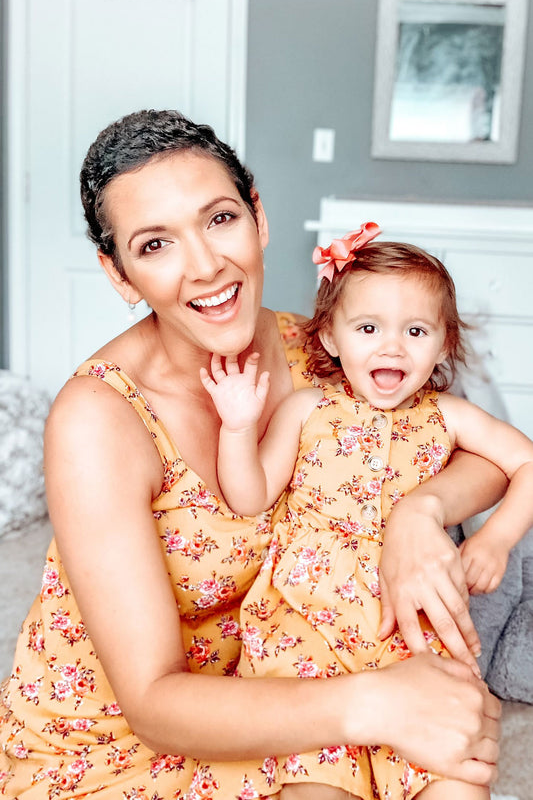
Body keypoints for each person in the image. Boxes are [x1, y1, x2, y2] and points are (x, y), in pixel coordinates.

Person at [0, 112, 503, 799]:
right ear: (118, 275)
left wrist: (423, 509)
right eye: (154, 245)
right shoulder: (100, 419)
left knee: (458, 760)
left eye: (219, 219)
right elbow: (152, 703)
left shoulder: (318, 351)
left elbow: (458, 441)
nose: (206, 265)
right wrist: (382, 701)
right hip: (123, 745)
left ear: (258, 218)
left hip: (292, 686)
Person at [201, 225, 533, 798]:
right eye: (368, 328)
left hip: (415, 635)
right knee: (315, 783)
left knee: (456, 781)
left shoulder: (449, 416)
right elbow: (249, 496)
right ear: (330, 337)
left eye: (416, 330)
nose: (392, 346)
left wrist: (495, 539)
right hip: (308, 637)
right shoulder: (308, 408)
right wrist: (236, 427)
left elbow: (526, 461)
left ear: (444, 343)